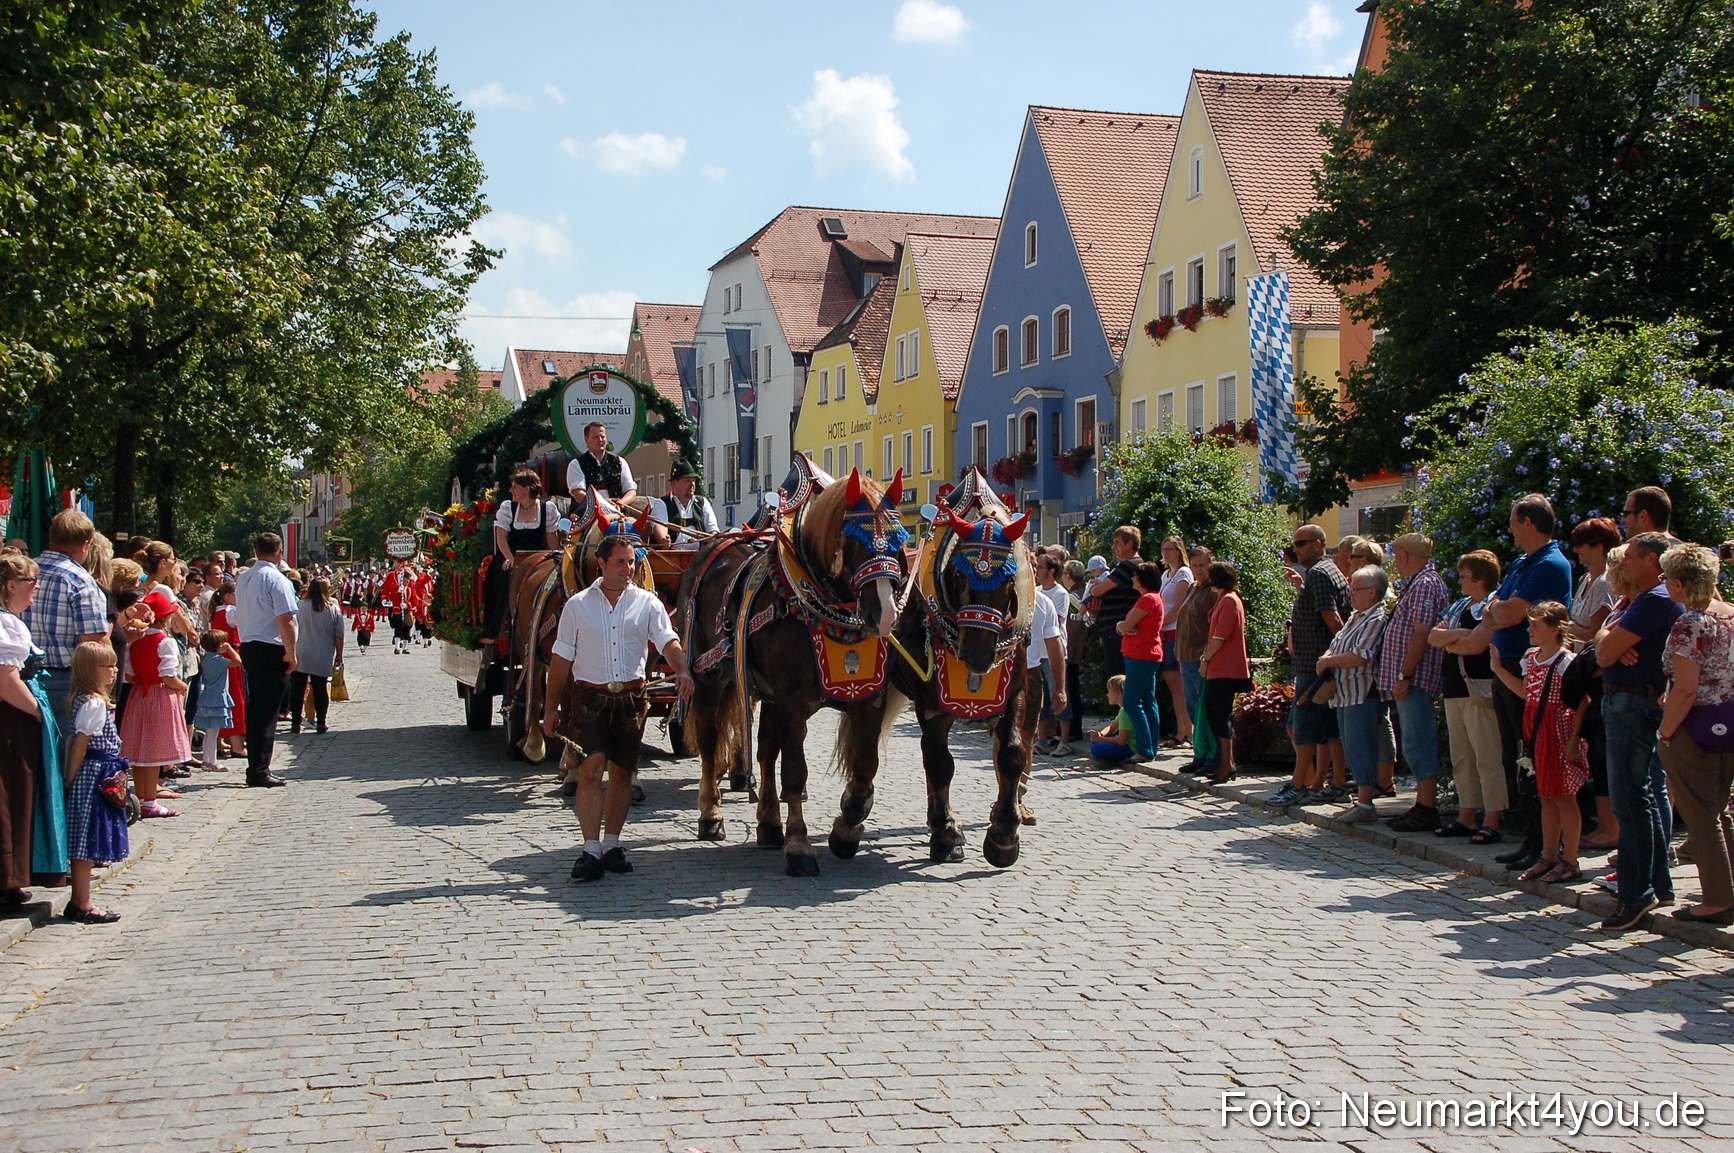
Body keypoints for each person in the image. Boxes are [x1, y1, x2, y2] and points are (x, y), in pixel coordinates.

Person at [543, 535, 693, 881]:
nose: (629, 569)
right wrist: (550, 708)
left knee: (623, 774)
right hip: (589, 699)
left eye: (632, 563)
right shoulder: (578, 605)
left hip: (630, 700)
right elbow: (561, 659)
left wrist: (682, 669)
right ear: (601, 564)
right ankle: (590, 850)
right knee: (592, 771)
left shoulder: (648, 603)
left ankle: (612, 845)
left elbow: (668, 641)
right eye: (620, 562)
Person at [1472, 494, 1573, 869]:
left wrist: (1497, 611)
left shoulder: (1550, 563)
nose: (1510, 529)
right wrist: (1496, 611)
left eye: (1514, 522)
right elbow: (1493, 609)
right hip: (1509, 667)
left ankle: (1545, 845)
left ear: (1529, 523)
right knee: (1518, 757)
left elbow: (1511, 612)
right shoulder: (1522, 562)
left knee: (1535, 757)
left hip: (1529, 671)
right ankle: (1532, 840)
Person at [1594, 531, 1684, 931]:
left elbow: (1603, 651)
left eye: (1630, 556)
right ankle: (1658, 884)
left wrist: (1608, 642)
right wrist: (1607, 638)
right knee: (1640, 795)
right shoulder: (1642, 600)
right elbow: (1603, 641)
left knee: (1631, 801)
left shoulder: (1655, 600)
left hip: (1633, 702)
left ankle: (1636, 893)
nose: (1624, 563)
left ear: (1651, 560)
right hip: (1628, 699)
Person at [1656, 545, 1734, 924]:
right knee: (1721, 809)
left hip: (1695, 725)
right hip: (1730, 723)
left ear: (1680, 583)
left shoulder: (1692, 623)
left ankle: (1718, 899)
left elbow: (1686, 688)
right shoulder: (1731, 615)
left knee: (1701, 814)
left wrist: (1666, 731)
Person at [1493, 602, 1589, 883]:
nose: (1529, 630)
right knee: (1545, 795)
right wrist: (1497, 669)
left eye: (1535, 625)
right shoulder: (1531, 657)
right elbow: (1526, 692)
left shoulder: (1566, 661)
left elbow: (1583, 702)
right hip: (1537, 731)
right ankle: (1548, 854)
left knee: (1564, 797)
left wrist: (1575, 739)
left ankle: (1570, 858)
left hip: (1558, 730)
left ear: (1555, 630)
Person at [0, 554, 69, 902]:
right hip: (10, 719)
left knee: (20, 792)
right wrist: (38, 713)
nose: (37, 588)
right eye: (31, 581)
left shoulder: (10, 621)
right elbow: (5, 679)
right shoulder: (4, 624)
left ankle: (15, 876)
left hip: (16, 716)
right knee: (11, 793)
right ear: (11, 585)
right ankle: (7, 878)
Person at [1268, 525, 1350, 808]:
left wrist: (1338, 652)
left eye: (1301, 544)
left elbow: (1332, 616)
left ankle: (1299, 783)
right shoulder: (1330, 571)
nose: (1296, 550)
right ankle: (1335, 781)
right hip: (1320, 663)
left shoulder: (1319, 573)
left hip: (1314, 666)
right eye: (1294, 545)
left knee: (1300, 727)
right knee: (1328, 729)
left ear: (1318, 544)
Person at [1430, 551, 1506, 843]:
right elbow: (1434, 638)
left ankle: (1493, 817)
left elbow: (1477, 645)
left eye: (1464, 575)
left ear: (1480, 578)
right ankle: (1466, 814)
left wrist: (1453, 639)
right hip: (1454, 688)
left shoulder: (1493, 604)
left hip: (1478, 686)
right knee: (1462, 755)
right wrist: (1457, 636)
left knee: (1486, 754)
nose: (1460, 580)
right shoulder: (1461, 604)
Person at [1380, 533, 1451, 832]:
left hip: (1416, 678)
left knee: (1417, 740)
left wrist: (1405, 675)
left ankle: (1427, 806)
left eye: (1397, 554)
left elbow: (1421, 633)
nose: (1395, 560)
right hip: (1411, 678)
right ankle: (1422, 804)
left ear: (1406, 556)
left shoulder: (1424, 584)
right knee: (1413, 740)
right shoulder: (1419, 583)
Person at [20, 510, 109, 728]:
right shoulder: (80, 581)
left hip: (19, 677)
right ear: (85, 544)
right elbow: (93, 643)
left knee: (29, 754)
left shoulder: (25, 572)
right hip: (64, 681)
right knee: (64, 755)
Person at [1318, 565, 1391, 823]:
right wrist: (1328, 655)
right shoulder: (1356, 616)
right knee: (1352, 746)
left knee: (1362, 746)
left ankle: (1366, 803)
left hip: (1362, 692)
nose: (1350, 594)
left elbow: (1361, 656)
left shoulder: (1376, 618)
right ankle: (1361, 800)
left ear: (1371, 592)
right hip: (1345, 693)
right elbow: (1338, 642)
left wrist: (1328, 662)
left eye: (1355, 589)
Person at [61, 641, 126, 923]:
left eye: (114, 664)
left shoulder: (85, 700)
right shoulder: (93, 703)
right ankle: (82, 902)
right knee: (86, 839)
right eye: (107, 666)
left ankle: (81, 899)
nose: (114, 670)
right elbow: (79, 745)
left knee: (84, 839)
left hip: (96, 771)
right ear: (90, 670)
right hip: (94, 775)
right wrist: (70, 779)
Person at [1567, 516, 1622, 850]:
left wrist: (1564, 625)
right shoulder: (1586, 579)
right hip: (1580, 672)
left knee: (1602, 751)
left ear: (1599, 546)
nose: (1577, 551)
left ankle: (1610, 826)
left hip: (1597, 675)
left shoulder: (1605, 582)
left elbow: (1594, 633)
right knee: (1592, 750)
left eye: (1582, 545)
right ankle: (1602, 822)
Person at [117, 590, 192, 817]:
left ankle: (140, 796)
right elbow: (167, 675)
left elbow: (129, 674)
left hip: (139, 694)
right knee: (152, 750)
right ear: (166, 618)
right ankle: (149, 800)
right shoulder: (165, 641)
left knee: (139, 751)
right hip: (158, 695)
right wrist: (181, 686)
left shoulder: (136, 640)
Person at [234, 533, 298, 789]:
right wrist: (291, 652)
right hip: (271, 647)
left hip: (249, 644)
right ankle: (259, 770)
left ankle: (257, 767)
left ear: (256, 550)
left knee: (257, 709)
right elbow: (286, 619)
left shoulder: (244, 577)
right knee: (266, 712)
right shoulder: (276, 579)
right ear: (279, 553)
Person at [1196, 561, 1251, 784]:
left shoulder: (1229, 600)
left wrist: (1205, 659)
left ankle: (1227, 763)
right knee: (1216, 715)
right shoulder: (1225, 598)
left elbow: (1220, 636)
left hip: (1224, 667)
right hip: (1220, 667)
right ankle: (1224, 762)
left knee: (1219, 716)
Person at [1173, 546, 1219, 774]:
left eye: (1202, 565)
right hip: (1185, 656)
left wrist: (1207, 657)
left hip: (1201, 658)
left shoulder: (1213, 592)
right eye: (1195, 565)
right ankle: (1200, 753)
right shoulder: (1193, 587)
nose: (1198, 570)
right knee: (1193, 710)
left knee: (1206, 710)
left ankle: (1214, 756)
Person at [1114, 562, 1165, 761]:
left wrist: (1121, 626)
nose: (1133, 579)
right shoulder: (1153, 599)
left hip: (1140, 654)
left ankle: (1144, 748)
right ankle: (1151, 746)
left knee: (1132, 700)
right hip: (1147, 654)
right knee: (1147, 700)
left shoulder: (1147, 599)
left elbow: (1125, 626)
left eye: (1136, 576)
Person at [1086, 527, 1143, 681]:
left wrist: (1095, 587)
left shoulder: (1129, 565)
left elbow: (1096, 591)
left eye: (1117, 543)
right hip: (1113, 628)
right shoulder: (1129, 566)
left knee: (1118, 679)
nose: (1113, 547)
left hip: (1118, 629)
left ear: (1129, 544)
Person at [291, 577, 344, 735]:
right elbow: (339, 634)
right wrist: (339, 655)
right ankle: (321, 721)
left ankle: (295, 722)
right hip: (323, 652)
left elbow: (292, 628)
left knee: (298, 688)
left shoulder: (300, 605)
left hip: (302, 650)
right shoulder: (332, 608)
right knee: (320, 688)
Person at [1031, 555, 1073, 757]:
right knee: (1041, 698)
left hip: (1054, 651)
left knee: (1058, 692)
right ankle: (1041, 740)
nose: (1037, 571)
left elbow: (1055, 620)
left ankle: (1064, 740)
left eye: (1040, 567)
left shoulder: (1060, 593)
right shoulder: (1036, 592)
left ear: (1051, 571)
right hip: (1037, 651)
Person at [1156, 536, 1194, 747]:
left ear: (1179, 551)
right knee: (1172, 683)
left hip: (1177, 631)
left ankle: (1188, 730)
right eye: (1164, 548)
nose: (1166, 552)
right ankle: (1181, 730)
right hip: (1165, 632)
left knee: (1181, 683)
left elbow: (1179, 607)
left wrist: (1160, 625)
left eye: (1169, 548)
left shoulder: (1183, 574)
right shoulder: (1166, 575)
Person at [208, 582, 248, 758]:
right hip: (230, 655)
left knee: (221, 696)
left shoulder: (216, 611)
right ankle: (237, 745)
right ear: (228, 596)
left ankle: (220, 742)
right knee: (235, 697)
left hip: (219, 657)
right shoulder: (230, 611)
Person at [194, 631, 239, 769]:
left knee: (209, 732)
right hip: (217, 697)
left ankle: (207, 759)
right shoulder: (218, 661)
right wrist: (230, 649)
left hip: (207, 696)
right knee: (213, 733)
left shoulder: (206, 658)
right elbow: (238, 661)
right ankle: (212, 761)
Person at [649, 461, 718, 549]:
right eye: (687, 480)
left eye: (693, 480)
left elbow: (713, 530)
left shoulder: (702, 502)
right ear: (675, 483)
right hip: (669, 558)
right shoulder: (662, 504)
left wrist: (712, 538)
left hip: (699, 559)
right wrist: (663, 540)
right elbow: (660, 526)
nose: (692, 484)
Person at [566, 420, 637, 504]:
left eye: (602, 437)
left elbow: (631, 492)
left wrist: (621, 503)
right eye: (595, 437)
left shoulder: (619, 462)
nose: (600, 440)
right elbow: (579, 494)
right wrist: (603, 504)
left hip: (617, 512)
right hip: (588, 514)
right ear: (586, 440)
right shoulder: (576, 464)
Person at [1060, 559, 1088, 745]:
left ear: (1068, 576)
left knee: (1071, 691)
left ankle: (1074, 730)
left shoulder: (1072, 597)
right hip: (1074, 651)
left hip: (1071, 651)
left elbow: (1078, 623)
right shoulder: (1079, 593)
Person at [1089, 675, 1138, 763]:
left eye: (1109, 691)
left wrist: (1100, 739)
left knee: (1096, 748)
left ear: (1119, 693)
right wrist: (1101, 734)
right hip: (1126, 744)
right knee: (1096, 741)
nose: (1107, 695)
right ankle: (1106, 759)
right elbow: (1112, 728)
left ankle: (1108, 760)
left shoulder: (1125, 712)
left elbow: (1121, 741)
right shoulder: (1124, 709)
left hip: (1131, 748)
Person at [381, 558, 415, 655]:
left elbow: (413, 595)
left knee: (406, 626)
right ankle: (397, 645)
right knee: (395, 625)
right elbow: (386, 588)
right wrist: (385, 598)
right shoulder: (391, 575)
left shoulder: (408, 576)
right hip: (394, 605)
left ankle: (404, 646)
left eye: (401, 563)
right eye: (397, 563)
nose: (399, 565)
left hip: (406, 608)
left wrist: (408, 604)